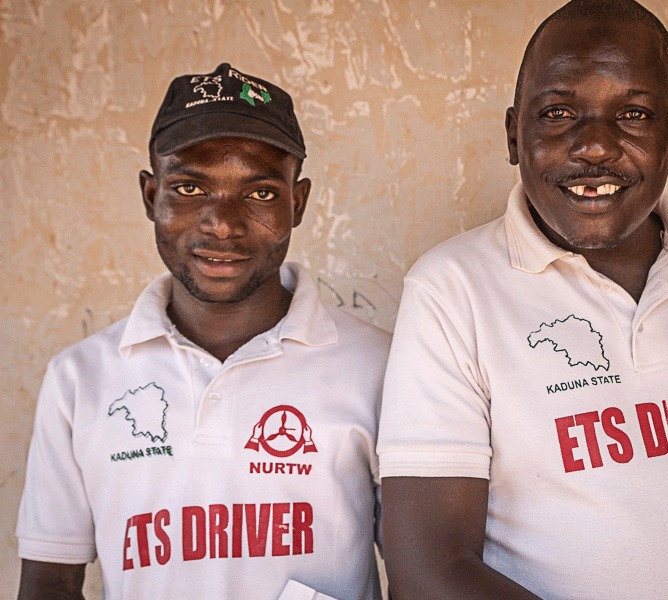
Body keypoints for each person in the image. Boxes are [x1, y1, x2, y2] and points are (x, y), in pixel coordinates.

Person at [376, 2, 668, 599]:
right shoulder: (452, 289)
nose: (594, 146)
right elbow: (430, 568)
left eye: (632, 113)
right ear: (514, 136)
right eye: (558, 112)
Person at [16, 63, 390, 600]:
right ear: (151, 197)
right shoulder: (79, 380)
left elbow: (418, 568)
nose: (222, 223)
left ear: (298, 203)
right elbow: (49, 580)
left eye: (260, 194)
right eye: (189, 187)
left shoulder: (379, 366)